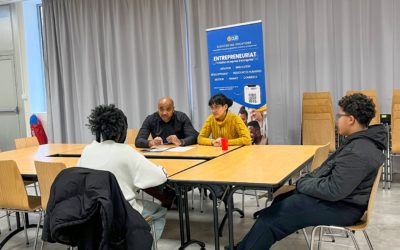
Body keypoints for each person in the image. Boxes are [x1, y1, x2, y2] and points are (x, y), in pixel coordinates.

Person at [235, 93, 387, 250]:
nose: (336, 120)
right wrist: (306, 182)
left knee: (270, 218)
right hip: (344, 201)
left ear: (351, 119)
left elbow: (334, 190)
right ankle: (246, 245)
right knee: (280, 200)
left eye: (339, 115)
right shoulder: (359, 142)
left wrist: (302, 184)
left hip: (343, 207)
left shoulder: (359, 150)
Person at [78, 104, 169, 240]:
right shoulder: (126, 152)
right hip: (121, 212)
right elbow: (158, 177)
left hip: (90, 211)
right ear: (122, 131)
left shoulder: (87, 150)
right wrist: (162, 169)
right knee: (159, 212)